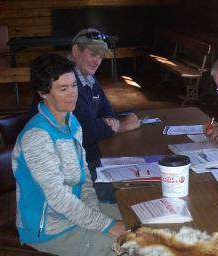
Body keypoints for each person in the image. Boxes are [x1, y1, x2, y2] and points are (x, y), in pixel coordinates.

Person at [13, 53, 132, 256]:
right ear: (44, 93)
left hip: (72, 212)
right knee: (122, 248)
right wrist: (104, 224)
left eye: (74, 86)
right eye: (63, 88)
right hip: (48, 227)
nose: (72, 94)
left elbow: (83, 178)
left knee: (135, 221)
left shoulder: (71, 123)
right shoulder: (37, 137)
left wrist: (96, 214)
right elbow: (58, 199)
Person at [29, 28, 140, 165]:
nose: (97, 61)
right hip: (76, 160)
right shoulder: (62, 79)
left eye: (100, 57)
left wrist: (107, 124)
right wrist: (120, 126)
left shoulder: (88, 78)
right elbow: (86, 131)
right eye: (93, 54)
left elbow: (107, 111)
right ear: (76, 51)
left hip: (81, 159)